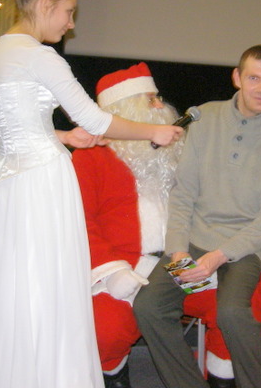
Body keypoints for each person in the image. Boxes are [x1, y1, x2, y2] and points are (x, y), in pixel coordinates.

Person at [0, 0, 182, 388]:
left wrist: (63, 136)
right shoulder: (40, 57)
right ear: (44, 5)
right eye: (68, 13)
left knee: (12, 281)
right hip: (42, 182)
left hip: (7, 181)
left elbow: (12, 125)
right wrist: (154, 132)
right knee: (45, 281)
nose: (70, 24)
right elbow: (96, 119)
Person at [133, 45, 261, 388]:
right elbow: (183, 194)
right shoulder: (205, 118)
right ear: (237, 78)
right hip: (195, 240)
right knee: (150, 307)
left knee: (233, 313)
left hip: (243, 249)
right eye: (253, 78)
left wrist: (219, 256)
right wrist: (178, 250)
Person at [71, 62, 184, 387]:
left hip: (177, 263)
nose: (161, 106)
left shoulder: (176, 155)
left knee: (228, 307)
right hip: (128, 267)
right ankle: (114, 377)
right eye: (151, 100)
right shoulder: (90, 157)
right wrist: (112, 271)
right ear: (125, 110)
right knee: (106, 331)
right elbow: (80, 223)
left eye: (158, 97)